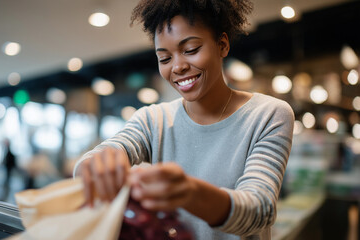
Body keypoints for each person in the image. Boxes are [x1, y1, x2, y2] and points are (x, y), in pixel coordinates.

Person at [74, 0, 295, 239]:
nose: (178, 66)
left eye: (190, 50)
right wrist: (99, 165)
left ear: (222, 45)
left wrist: (189, 192)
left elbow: (259, 210)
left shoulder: (268, 114)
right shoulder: (153, 119)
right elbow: (96, 159)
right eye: (165, 59)